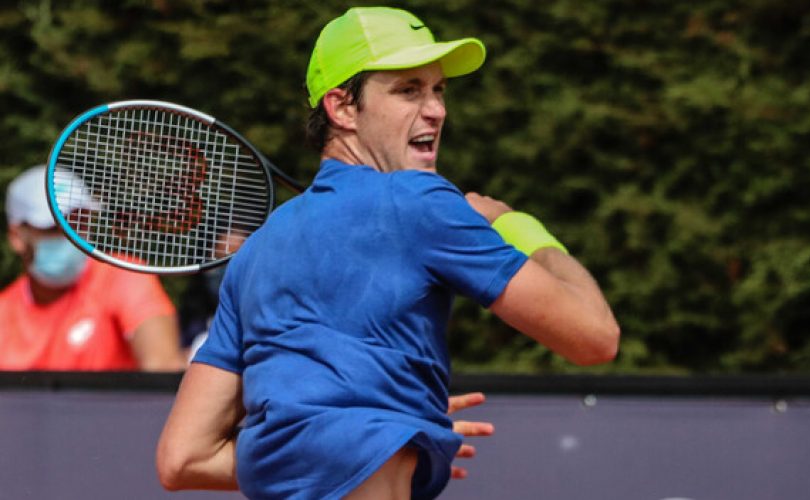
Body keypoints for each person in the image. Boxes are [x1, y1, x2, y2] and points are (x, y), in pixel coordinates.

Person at [157, 6, 620, 500]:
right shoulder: (421, 202)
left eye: (438, 89)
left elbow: (183, 458)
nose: (436, 109)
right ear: (341, 108)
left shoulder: (259, 250)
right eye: (408, 90)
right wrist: (513, 223)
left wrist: (395, 436)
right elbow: (594, 337)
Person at [0, 165, 185, 372]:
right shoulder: (4, 314)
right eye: (53, 227)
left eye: (79, 222)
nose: (71, 237)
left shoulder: (123, 275)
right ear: (17, 237)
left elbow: (163, 367)